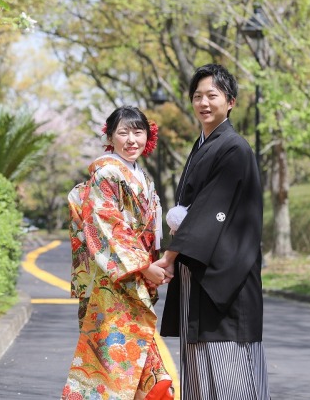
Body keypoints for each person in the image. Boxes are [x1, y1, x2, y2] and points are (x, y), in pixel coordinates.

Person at [154, 63, 270, 400]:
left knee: (231, 371)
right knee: (199, 369)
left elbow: (208, 210)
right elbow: (197, 212)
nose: (203, 102)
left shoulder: (234, 148)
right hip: (198, 270)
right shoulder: (205, 145)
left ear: (230, 101)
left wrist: (171, 255)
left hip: (225, 277)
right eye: (197, 96)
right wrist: (176, 256)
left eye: (212, 95)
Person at [62, 106, 173, 400]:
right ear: (110, 136)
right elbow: (108, 226)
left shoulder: (142, 178)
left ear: (147, 136)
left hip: (133, 277)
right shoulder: (108, 173)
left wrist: (159, 262)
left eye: (138, 132)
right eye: (123, 132)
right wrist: (144, 266)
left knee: (131, 358)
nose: (131, 139)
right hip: (111, 281)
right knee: (116, 361)